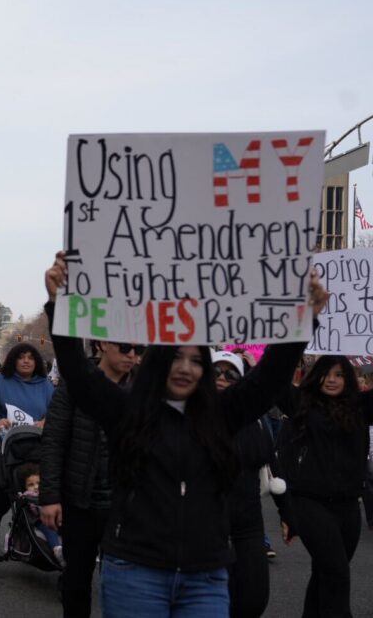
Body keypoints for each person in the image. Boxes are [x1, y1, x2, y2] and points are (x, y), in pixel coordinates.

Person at [44, 250, 328, 617]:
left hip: (204, 577)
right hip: (135, 571)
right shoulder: (127, 411)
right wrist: (58, 304)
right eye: (175, 358)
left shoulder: (222, 415)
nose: (185, 368)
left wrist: (304, 318)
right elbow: (79, 377)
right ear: (158, 364)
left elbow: (268, 379)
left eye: (196, 360)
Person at [40, 339, 138, 618]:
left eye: (139, 350)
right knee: (77, 581)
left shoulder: (143, 389)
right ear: (104, 344)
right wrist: (50, 497)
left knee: (123, 584)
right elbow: (54, 440)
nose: (132, 355)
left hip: (124, 507)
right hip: (79, 502)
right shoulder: (76, 384)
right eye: (125, 347)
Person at [276, 355, 373, 618]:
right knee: (337, 572)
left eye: (339, 374)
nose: (331, 380)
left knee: (325, 572)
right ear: (314, 375)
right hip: (309, 502)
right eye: (326, 373)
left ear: (350, 378)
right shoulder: (300, 403)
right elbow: (270, 381)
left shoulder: (361, 406)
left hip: (348, 504)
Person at [211, 350, 286, 618]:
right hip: (205, 524)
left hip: (248, 523)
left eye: (230, 373)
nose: (222, 378)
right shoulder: (193, 415)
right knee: (212, 601)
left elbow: (271, 462)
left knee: (253, 600)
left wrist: (285, 512)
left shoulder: (255, 420)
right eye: (215, 372)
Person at [0, 342, 55, 548]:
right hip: (3, 447)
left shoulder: (45, 385)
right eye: (21, 356)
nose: (26, 360)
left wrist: (47, 420)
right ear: (14, 360)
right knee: (1, 496)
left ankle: (33, 535)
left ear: (36, 362)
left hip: (35, 449)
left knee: (33, 495)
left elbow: (56, 411)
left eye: (30, 357)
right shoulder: (0, 381)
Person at [17, 462, 62, 560]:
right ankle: (57, 549)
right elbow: (33, 509)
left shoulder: (46, 491)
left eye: (38, 483)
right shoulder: (28, 495)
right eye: (31, 484)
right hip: (38, 520)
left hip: (53, 516)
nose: (36, 487)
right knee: (50, 530)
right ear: (25, 487)